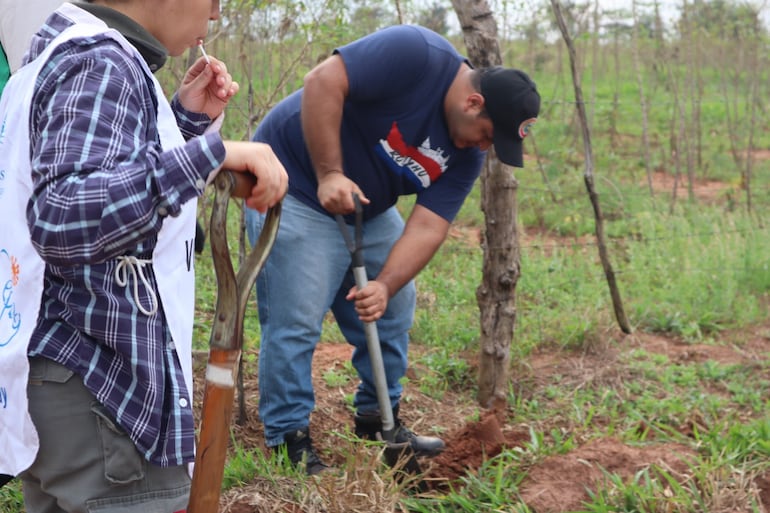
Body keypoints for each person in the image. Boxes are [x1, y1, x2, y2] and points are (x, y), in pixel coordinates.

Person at [0, 1, 288, 511]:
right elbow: (66, 214)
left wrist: (185, 124)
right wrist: (209, 157)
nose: (218, 14)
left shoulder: (55, 55)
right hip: (102, 394)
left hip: (59, 378)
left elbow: (94, 172)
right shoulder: (98, 61)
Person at [244, 24, 540, 475]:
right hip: (295, 183)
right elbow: (322, 81)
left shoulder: (467, 152)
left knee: (394, 307)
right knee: (297, 321)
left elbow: (429, 225)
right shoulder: (415, 54)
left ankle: (378, 418)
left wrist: (384, 284)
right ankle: (289, 438)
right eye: (487, 135)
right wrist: (329, 174)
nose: (484, 148)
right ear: (472, 103)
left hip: (368, 205)